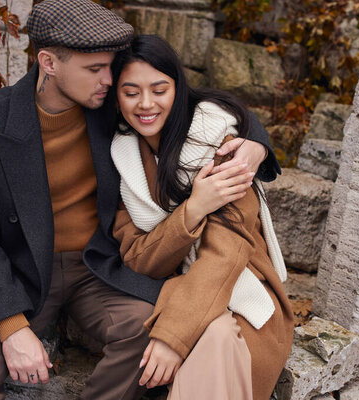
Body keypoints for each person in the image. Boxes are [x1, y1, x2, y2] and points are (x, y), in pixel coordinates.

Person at [0, 1, 279, 399]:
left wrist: (254, 145)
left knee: (147, 330)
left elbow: (198, 109)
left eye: (110, 66)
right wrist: (11, 327)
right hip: (18, 272)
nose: (109, 80)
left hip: (99, 268)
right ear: (48, 62)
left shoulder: (114, 107)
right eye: (95, 69)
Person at [111, 35, 295, 399]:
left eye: (159, 90)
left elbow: (227, 253)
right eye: (131, 93)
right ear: (116, 97)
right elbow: (138, 257)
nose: (146, 104)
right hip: (177, 290)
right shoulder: (122, 155)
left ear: (178, 90)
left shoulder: (219, 145)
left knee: (219, 337)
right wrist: (194, 209)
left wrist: (172, 337)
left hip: (243, 291)